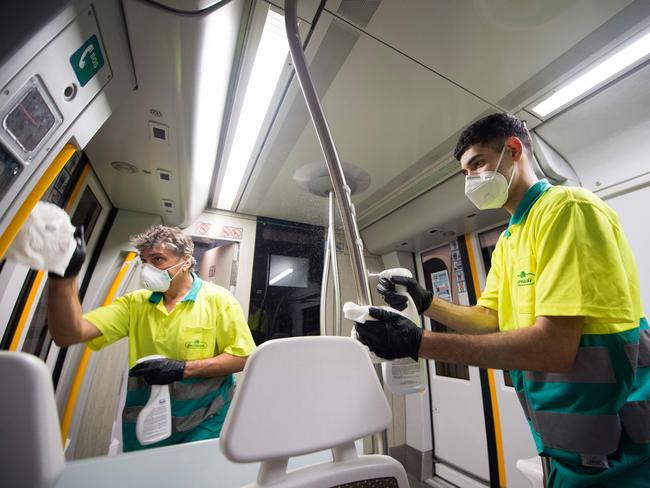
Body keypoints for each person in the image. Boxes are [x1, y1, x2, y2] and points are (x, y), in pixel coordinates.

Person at [355, 113, 650, 486]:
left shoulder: (567, 210)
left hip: (618, 443)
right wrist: (425, 300)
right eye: (465, 173)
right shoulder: (511, 239)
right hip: (565, 439)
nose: (471, 181)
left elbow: (554, 348)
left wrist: (417, 343)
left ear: (512, 151)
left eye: (477, 164)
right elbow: (488, 317)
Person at [48, 225, 256, 451]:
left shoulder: (219, 300)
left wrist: (182, 369)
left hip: (206, 420)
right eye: (144, 261)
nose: (147, 269)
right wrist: (64, 277)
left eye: (157, 260)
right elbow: (68, 334)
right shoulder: (135, 304)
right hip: (148, 421)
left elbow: (243, 357)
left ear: (185, 261)